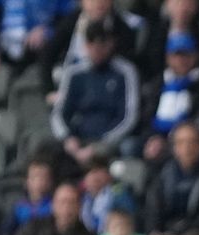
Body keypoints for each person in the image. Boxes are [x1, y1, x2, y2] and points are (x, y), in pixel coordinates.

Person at [53, 22, 141, 166]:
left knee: (128, 147)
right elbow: (60, 113)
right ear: (85, 45)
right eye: (91, 44)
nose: (96, 50)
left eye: (101, 45)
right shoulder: (74, 73)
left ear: (111, 44)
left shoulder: (125, 71)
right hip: (78, 138)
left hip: (110, 139)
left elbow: (129, 117)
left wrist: (101, 144)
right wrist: (67, 138)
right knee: (46, 149)